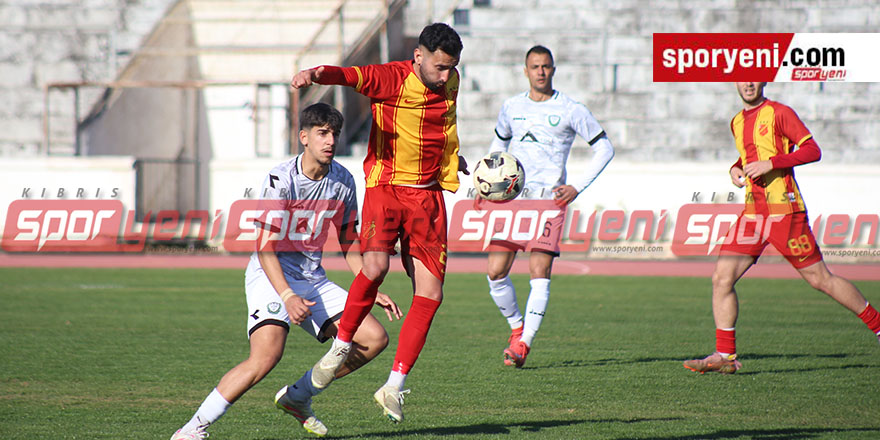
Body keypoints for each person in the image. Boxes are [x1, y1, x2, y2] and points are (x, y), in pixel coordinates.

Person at [170, 103, 402, 440]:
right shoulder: (281, 179)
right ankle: (192, 430)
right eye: (322, 133)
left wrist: (366, 285)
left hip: (312, 278)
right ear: (304, 137)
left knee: (373, 339)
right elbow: (264, 247)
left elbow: (349, 240)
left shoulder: (343, 180)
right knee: (266, 356)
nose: (331, 140)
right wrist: (287, 294)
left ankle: (298, 396)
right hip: (271, 275)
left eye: (334, 133)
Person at [289, 23, 468, 423]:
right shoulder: (390, 77)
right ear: (418, 56)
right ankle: (341, 346)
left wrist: (454, 162)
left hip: (428, 195)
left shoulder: (451, 80)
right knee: (375, 267)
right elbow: (348, 76)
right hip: (387, 188)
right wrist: (314, 74)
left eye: (450, 68)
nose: (445, 76)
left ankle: (394, 386)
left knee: (432, 293)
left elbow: (442, 129)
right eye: (438, 67)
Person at [683, 82, 880, 374]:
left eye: (754, 78)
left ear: (764, 82)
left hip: (784, 211)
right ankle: (725, 356)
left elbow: (812, 150)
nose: (748, 84)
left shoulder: (780, 113)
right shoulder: (736, 121)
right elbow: (749, 156)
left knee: (820, 279)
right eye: (743, 78)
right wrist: (735, 168)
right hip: (752, 213)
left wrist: (771, 164)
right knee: (721, 279)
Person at [479, 45, 614, 368]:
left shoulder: (570, 109)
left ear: (553, 70)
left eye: (546, 66)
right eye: (535, 66)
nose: (541, 71)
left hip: (549, 201)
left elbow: (604, 148)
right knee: (495, 271)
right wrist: (485, 184)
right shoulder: (511, 107)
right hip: (512, 199)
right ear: (525, 71)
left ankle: (523, 345)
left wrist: (577, 187)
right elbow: (499, 145)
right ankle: (517, 329)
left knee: (539, 271)